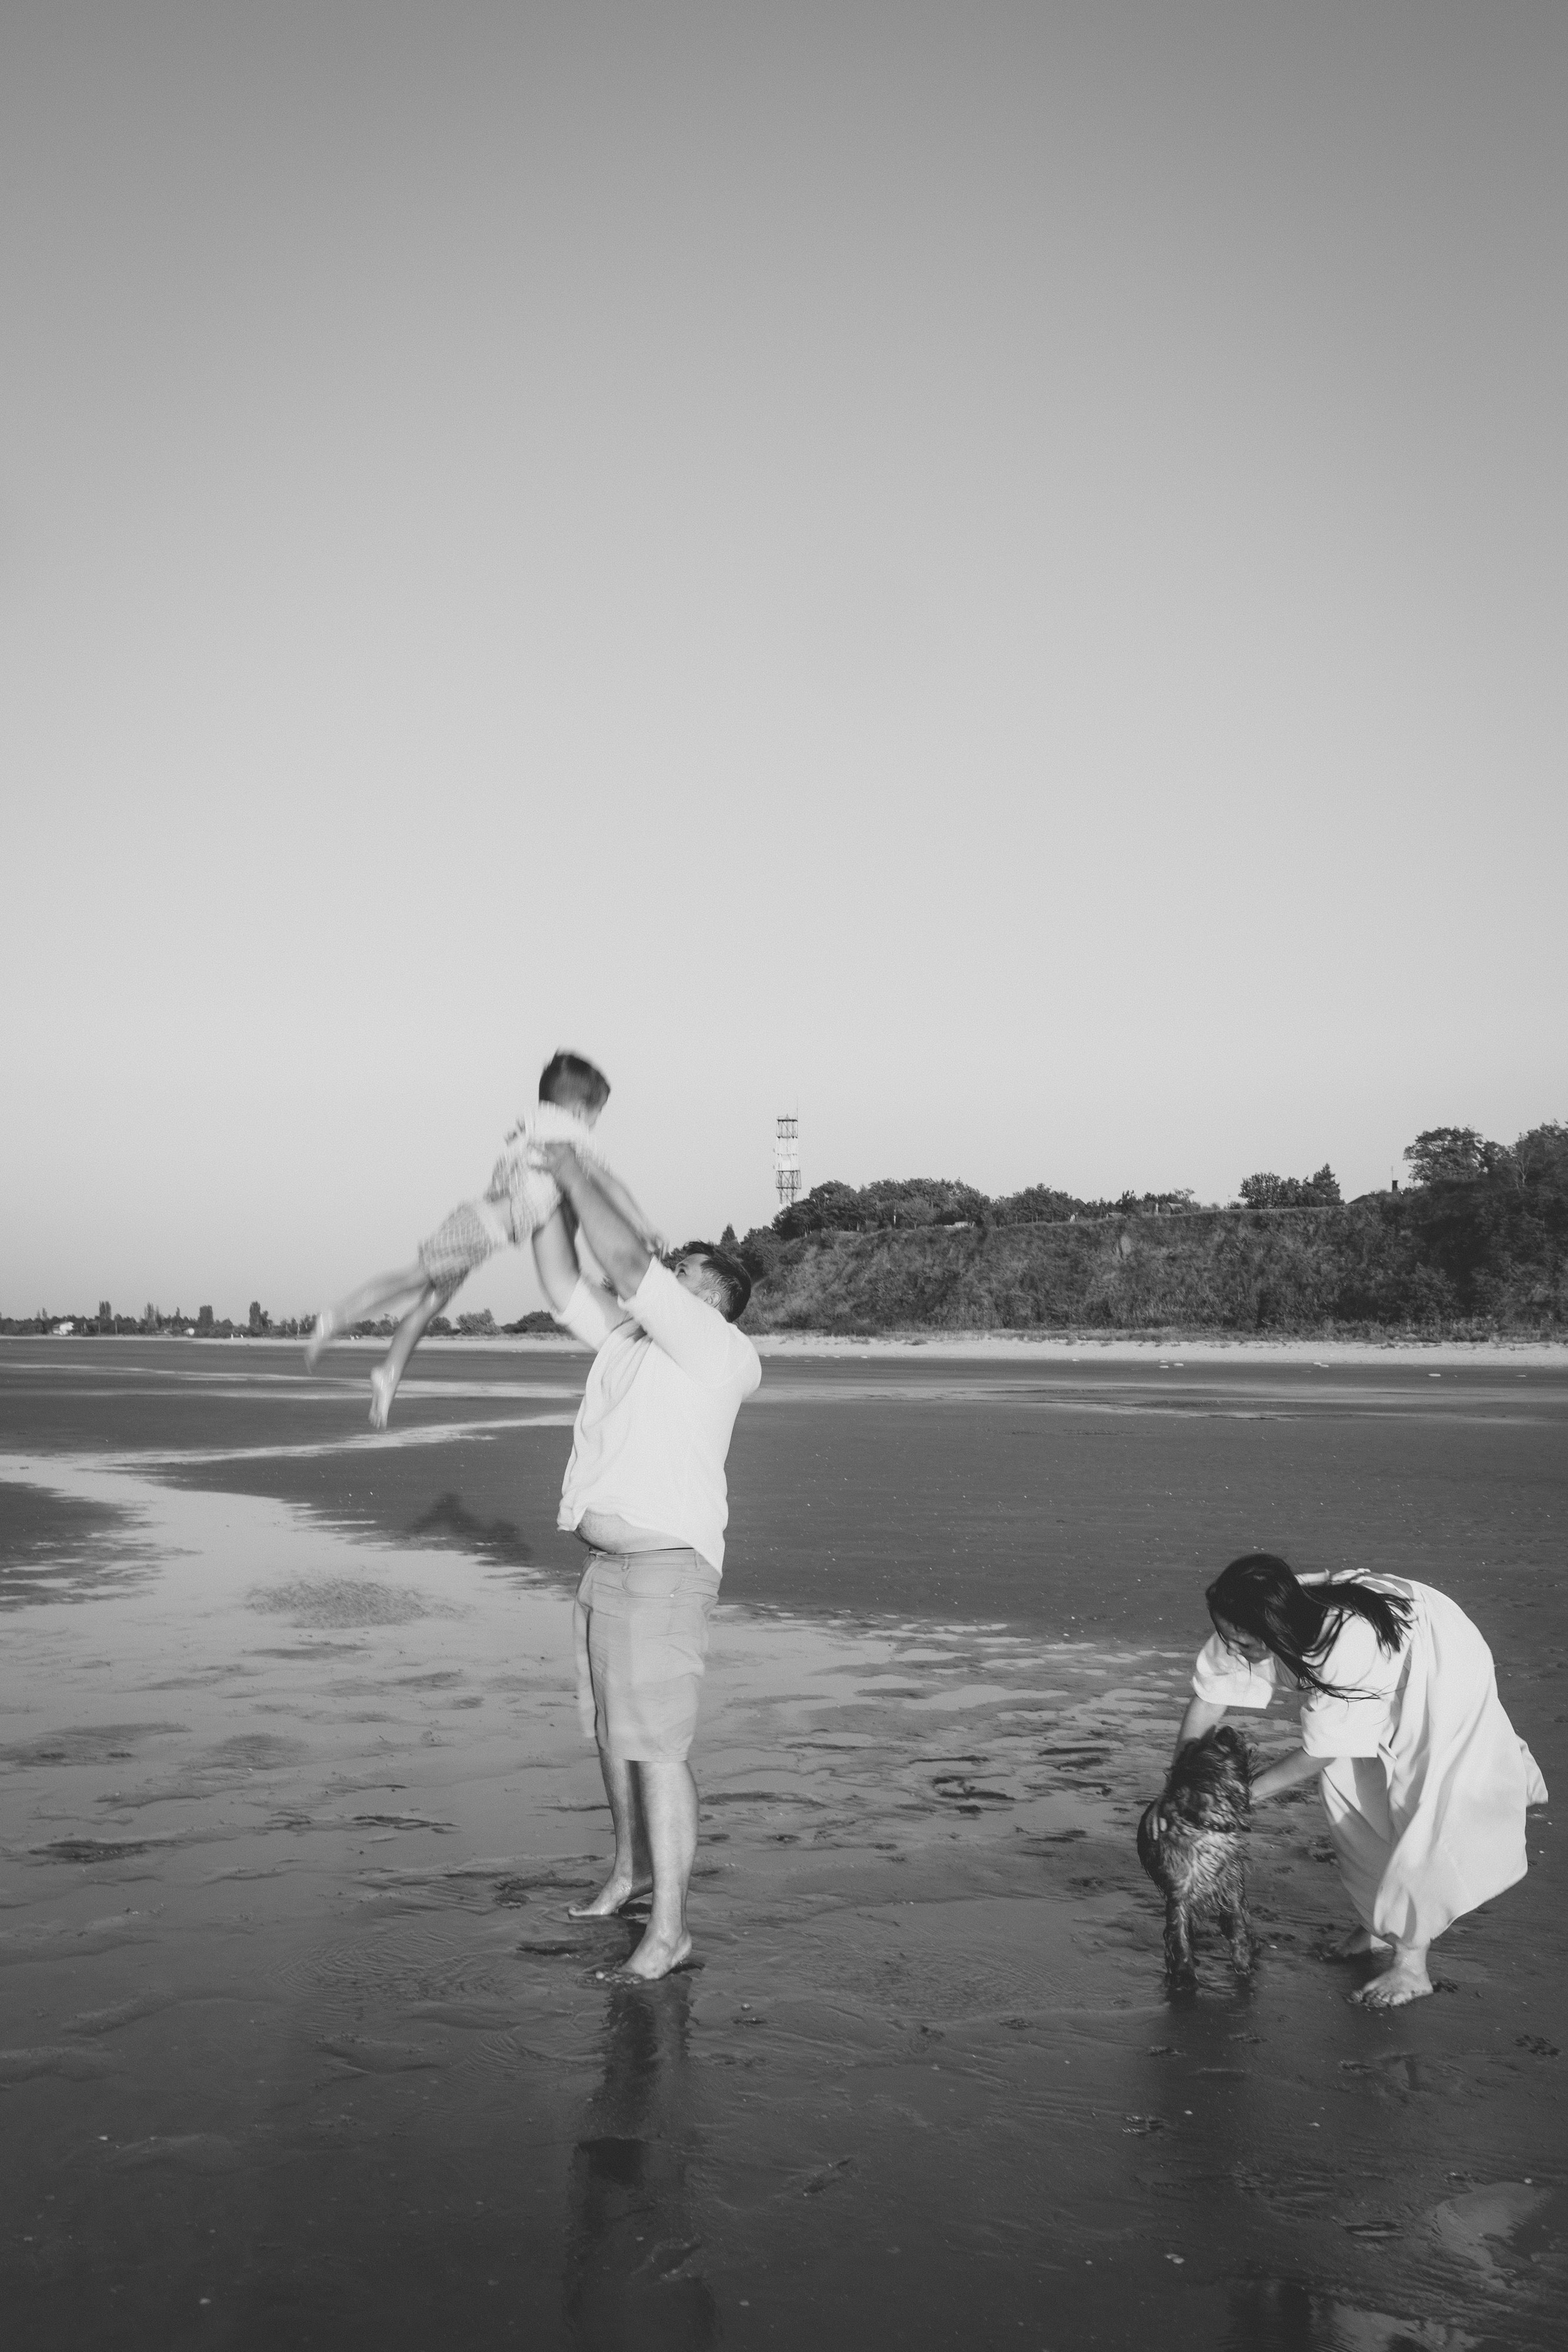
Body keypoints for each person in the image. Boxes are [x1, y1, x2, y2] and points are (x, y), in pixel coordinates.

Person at [529, 1137, 760, 1983]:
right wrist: (543, 1193)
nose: (666, 1270)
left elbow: (627, 1263)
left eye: (683, 1268)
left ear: (712, 1295)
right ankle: (629, 1873)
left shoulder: (714, 1347)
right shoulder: (632, 1340)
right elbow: (560, 1277)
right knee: (612, 1737)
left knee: (658, 1749)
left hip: (665, 1571)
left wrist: (571, 1162)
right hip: (607, 1571)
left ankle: (670, 1931)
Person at [1171, 1552, 1547, 2007]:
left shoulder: (1345, 1642)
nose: (1233, 1649)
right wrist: (1181, 1779)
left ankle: (1412, 1965)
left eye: (1243, 1643)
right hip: (1368, 1670)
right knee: (1348, 1794)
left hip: (1438, 1660)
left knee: (1422, 1800)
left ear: (1273, 1627)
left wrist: (1238, 1798)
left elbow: (1321, 1751)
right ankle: (1379, 1925)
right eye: (1228, 1638)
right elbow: (1209, 1698)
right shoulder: (1243, 1614)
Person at [305, 1052, 660, 1429]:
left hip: (480, 1233)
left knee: (429, 1304)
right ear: (577, 1110)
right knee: (413, 1279)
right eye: (596, 1114)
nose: (594, 1124)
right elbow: (608, 1183)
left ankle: (388, 1374)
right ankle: (336, 1317)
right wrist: (642, 1225)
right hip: (476, 1228)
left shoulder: (539, 1126)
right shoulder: (565, 1137)